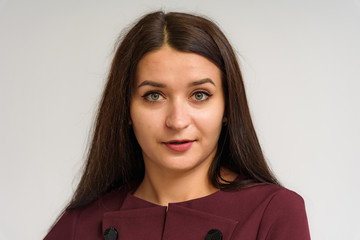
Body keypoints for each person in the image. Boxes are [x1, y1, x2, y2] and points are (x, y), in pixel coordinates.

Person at [44, 11, 310, 240]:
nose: (178, 121)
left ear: (227, 107)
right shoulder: (81, 223)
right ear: (126, 109)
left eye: (200, 95)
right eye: (154, 96)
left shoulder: (273, 212)